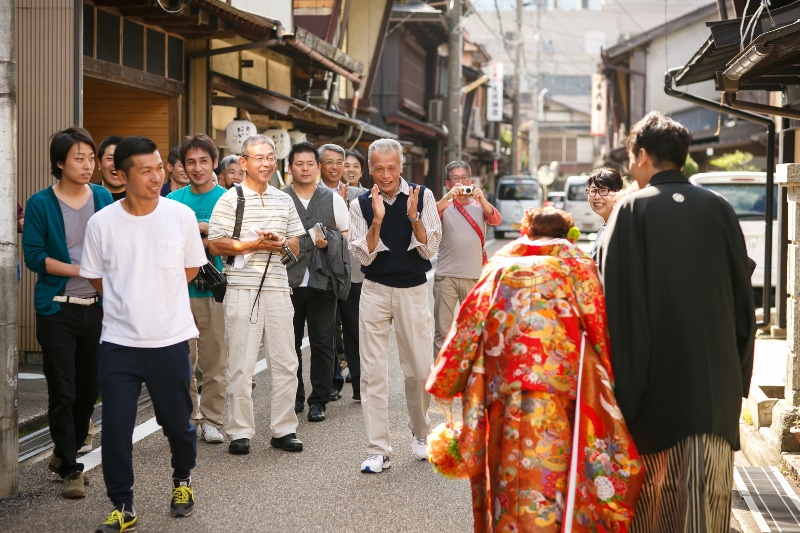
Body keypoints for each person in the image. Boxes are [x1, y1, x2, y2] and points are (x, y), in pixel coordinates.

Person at [427, 207, 643, 532]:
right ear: (564, 233)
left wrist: (446, 377)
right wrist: (612, 377)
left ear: (526, 231)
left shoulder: (500, 265)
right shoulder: (577, 266)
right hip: (561, 389)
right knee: (553, 468)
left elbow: (469, 321)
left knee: (507, 469)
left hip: (503, 389)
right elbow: (599, 325)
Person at [599, 111, 756, 532]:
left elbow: (616, 307)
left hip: (654, 393)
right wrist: (735, 382)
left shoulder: (631, 210)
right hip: (714, 395)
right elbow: (744, 303)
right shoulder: (719, 208)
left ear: (642, 156)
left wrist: (620, 394)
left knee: (655, 507)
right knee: (707, 506)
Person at [81, 136, 207, 532]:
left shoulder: (180, 216)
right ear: (120, 174)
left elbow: (189, 270)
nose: (158, 176)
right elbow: (98, 278)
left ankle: (182, 479)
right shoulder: (102, 223)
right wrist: (129, 303)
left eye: (160, 168)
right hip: (119, 342)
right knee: (116, 428)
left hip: (170, 339)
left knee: (178, 424)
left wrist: (157, 299)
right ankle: (123, 504)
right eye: (146, 170)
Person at [22, 127, 113, 499]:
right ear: (59, 163)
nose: (88, 164)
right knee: (64, 389)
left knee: (89, 390)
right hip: (56, 309)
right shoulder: (41, 203)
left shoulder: (104, 197)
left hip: (97, 309)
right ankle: (72, 469)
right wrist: (81, 270)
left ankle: (63, 452)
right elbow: (34, 257)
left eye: (91, 157)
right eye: (79, 158)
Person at [208, 134, 305, 455]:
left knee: (286, 361)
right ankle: (239, 432)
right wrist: (253, 244)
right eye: (258, 158)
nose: (265, 163)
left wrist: (279, 242)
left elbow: (295, 245)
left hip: (279, 285)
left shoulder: (283, 198)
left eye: (270, 157)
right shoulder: (230, 198)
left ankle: (284, 429)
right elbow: (216, 244)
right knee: (241, 362)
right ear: (244, 162)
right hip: (240, 286)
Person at [349, 138, 441, 473]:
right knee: (373, 372)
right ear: (370, 169)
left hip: (413, 290)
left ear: (401, 166)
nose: (386, 174)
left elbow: (429, 250)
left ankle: (420, 434)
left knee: (419, 370)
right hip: (374, 290)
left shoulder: (424, 195)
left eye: (392, 167)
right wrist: (377, 220)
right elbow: (363, 256)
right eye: (379, 168)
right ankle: (378, 450)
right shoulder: (360, 203)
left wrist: (413, 217)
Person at [167, 134, 228, 445]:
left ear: (215, 163)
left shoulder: (228, 199)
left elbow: (234, 241)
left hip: (216, 293)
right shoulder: (174, 201)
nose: (197, 167)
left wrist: (201, 233)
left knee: (215, 359)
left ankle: (213, 420)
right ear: (182, 167)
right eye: (190, 162)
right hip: (181, 291)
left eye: (204, 161)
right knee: (183, 362)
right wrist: (205, 234)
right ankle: (192, 418)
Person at [284, 141, 350, 422]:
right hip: (288, 283)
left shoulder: (332, 199)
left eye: (311, 163)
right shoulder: (280, 197)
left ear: (318, 167)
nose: (305, 168)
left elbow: (346, 236)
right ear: (289, 168)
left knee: (323, 343)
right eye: (299, 164)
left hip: (323, 282)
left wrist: (329, 241)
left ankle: (318, 400)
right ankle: (294, 396)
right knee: (290, 343)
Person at [433, 161, 501, 359]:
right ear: (448, 183)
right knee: (443, 332)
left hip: (474, 277)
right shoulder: (444, 205)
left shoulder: (480, 206)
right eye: (455, 179)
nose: (460, 182)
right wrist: (447, 198)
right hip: (445, 276)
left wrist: (482, 199)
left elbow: (496, 220)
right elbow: (429, 217)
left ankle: (469, 377)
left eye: (464, 178)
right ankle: (441, 380)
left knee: (473, 330)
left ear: (471, 181)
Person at [338, 150, 369, 402]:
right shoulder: (325, 195)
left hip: (356, 271)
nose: (349, 169)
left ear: (361, 170)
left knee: (354, 329)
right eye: (344, 165)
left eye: (354, 166)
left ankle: (358, 382)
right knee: (328, 332)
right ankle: (332, 380)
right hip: (330, 271)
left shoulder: (368, 197)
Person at [585, 167, 623, 260]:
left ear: (618, 193)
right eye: (593, 191)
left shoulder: (621, 228)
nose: (597, 196)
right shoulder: (605, 226)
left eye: (603, 191)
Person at [97, 135, 125, 201]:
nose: (115, 164)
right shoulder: (89, 195)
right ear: (99, 163)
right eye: (110, 158)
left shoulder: (140, 197)